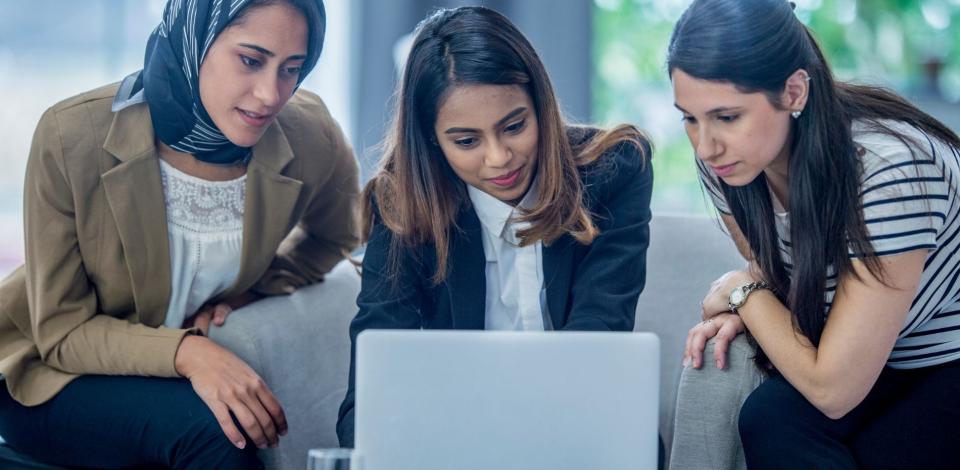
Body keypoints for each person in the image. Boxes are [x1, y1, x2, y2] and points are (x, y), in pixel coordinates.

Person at [0, 0, 358, 468]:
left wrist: (260, 290)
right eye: (251, 60)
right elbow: (63, 332)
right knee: (218, 436)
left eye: (292, 68)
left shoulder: (310, 134)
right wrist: (190, 353)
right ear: (196, 39)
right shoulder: (72, 135)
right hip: (53, 374)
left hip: (172, 374)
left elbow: (337, 236)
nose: (272, 94)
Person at [335, 6, 654, 448]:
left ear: (540, 105)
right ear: (431, 140)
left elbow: (597, 342)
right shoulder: (405, 205)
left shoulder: (614, 172)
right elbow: (369, 392)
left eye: (514, 126)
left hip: (581, 431)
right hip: (455, 443)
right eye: (466, 141)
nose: (499, 158)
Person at [666, 0, 960, 468]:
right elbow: (773, 272)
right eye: (689, 118)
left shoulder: (888, 170)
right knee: (768, 418)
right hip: (876, 361)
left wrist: (740, 291)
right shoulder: (731, 165)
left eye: (727, 117)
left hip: (947, 356)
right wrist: (757, 298)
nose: (705, 146)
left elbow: (833, 389)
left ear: (794, 93)